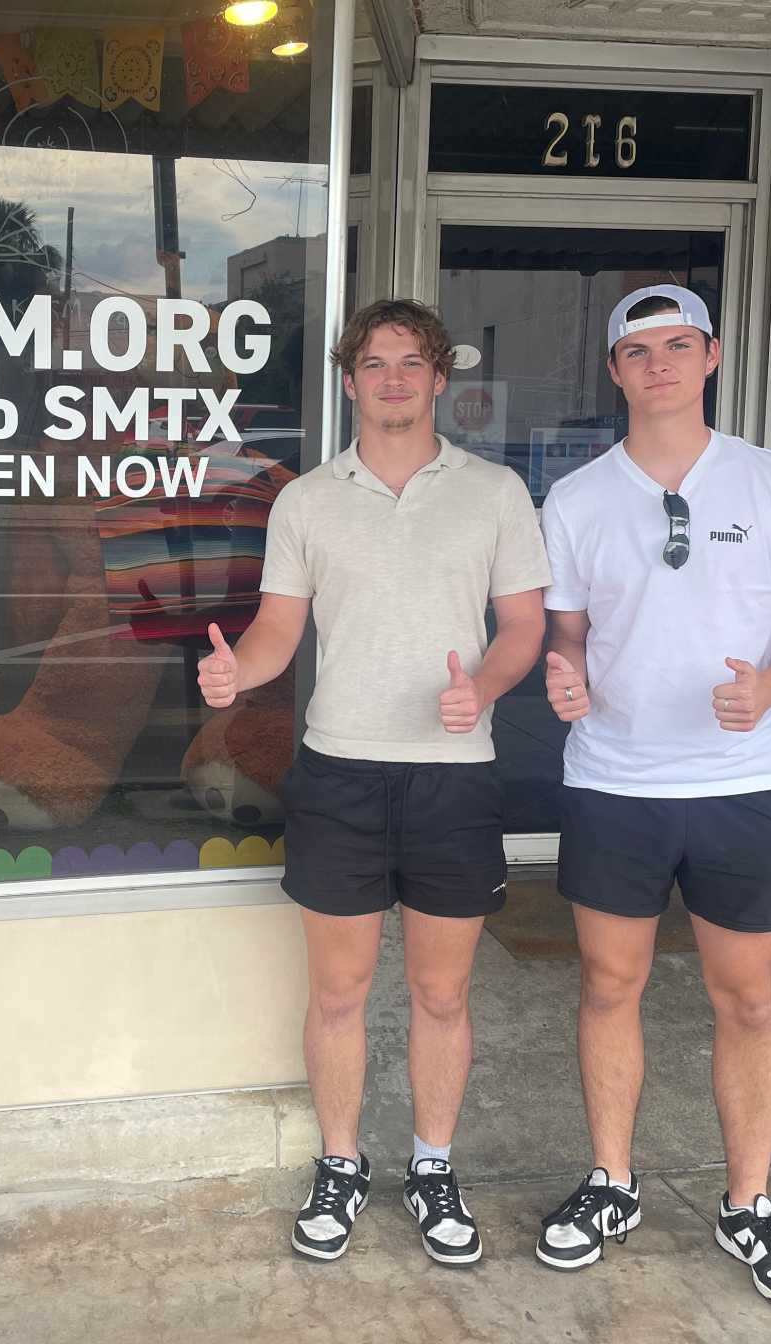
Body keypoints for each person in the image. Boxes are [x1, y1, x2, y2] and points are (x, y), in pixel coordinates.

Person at [198, 299, 550, 1264]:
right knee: (340, 992)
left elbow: (523, 626)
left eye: (411, 363)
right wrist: (243, 674)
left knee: (442, 996)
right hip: (341, 772)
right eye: (374, 364)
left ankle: (433, 1167)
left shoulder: (494, 493)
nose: (393, 379)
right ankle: (343, 1165)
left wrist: (481, 687)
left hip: (452, 780)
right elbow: (278, 627)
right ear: (348, 381)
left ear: (442, 380)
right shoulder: (307, 499)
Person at [537, 285, 771, 1312]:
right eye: (638, 350)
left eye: (677, 345)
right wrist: (562, 674)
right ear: (614, 370)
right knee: (608, 987)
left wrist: (770, 685)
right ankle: (611, 1182)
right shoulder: (575, 499)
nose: (658, 364)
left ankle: (748, 1203)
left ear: (710, 357)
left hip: (743, 785)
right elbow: (567, 634)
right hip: (615, 781)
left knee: (745, 997)